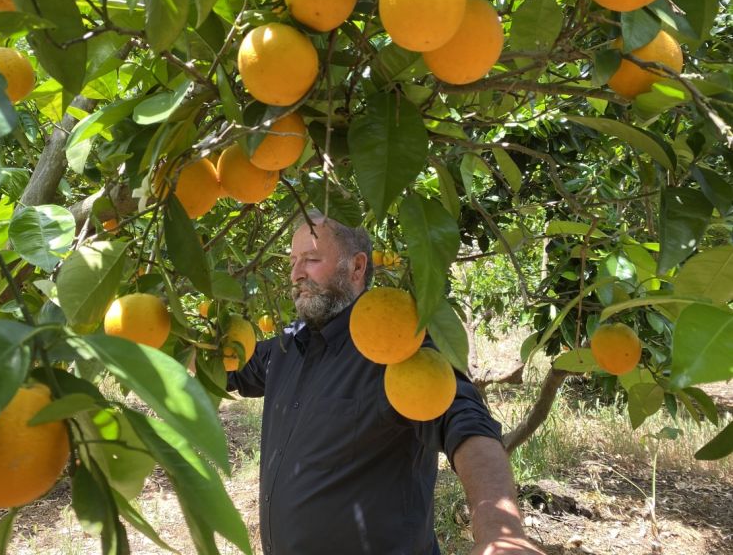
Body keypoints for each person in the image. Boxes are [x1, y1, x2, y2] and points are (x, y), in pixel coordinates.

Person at [227, 211, 545, 555]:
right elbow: (224, 367)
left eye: (311, 259)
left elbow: (467, 425)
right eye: (292, 261)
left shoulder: (396, 349)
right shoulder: (289, 346)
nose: (296, 273)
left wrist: (501, 533)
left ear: (357, 267)